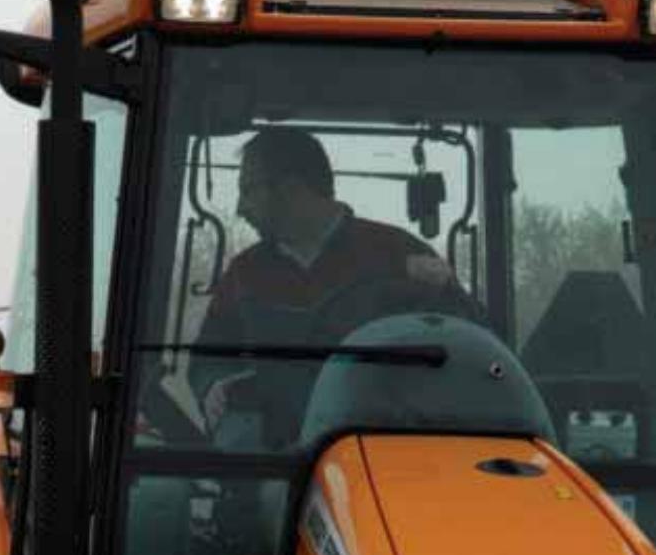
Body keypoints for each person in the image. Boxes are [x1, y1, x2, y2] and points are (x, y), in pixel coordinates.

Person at [196, 127, 467, 429]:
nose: (240, 208)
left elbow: (469, 348)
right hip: (269, 451)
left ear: (291, 190)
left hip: (378, 442)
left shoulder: (397, 253)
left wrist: (444, 287)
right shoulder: (244, 273)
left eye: (247, 191)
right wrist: (212, 386)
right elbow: (207, 359)